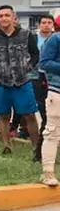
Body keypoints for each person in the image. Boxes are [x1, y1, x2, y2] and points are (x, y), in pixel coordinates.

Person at [0, 5, 41, 156]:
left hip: (22, 81)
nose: (4, 18)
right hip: (0, 83)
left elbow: (35, 53)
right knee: (4, 115)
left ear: (14, 17)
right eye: (1, 16)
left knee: (30, 115)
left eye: (7, 15)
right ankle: (6, 146)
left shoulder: (26, 35)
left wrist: (28, 67)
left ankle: (36, 147)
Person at [37, 22, 60, 185]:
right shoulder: (55, 39)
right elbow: (44, 63)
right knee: (52, 133)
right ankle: (48, 173)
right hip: (57, 91)